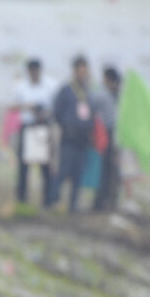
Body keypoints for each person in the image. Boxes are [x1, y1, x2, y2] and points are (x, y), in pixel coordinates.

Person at [51, 55, 96, 213]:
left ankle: (73, 205)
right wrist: (66, 126)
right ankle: (53, 200)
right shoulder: (66, 90)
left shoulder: (88, 90)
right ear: (75, 71)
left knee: (78, 172)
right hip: (69, 137)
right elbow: (57, 111)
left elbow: (91, 113)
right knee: (64, 171)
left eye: (86, 71)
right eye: (81, 71)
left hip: (83, 138)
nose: (83, 74)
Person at [11, 58, 57, 207]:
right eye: (31, 71)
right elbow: (13, 106)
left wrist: (43, 112)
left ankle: (48, 201)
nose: (34, 74)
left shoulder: (50, 85)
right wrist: (30, 107)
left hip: (43, 127)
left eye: (36, 71)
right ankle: (22, 200)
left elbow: (55, 108)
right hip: (28, 127)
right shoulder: (21, 87)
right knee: (24, 166)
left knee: (45, 166)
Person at [93, 67, 121, 212]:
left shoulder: (105, 94)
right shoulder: (114, 94)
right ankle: (103, 202)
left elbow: (91, 104)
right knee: (107, 170)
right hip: (109, 135)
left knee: (107, 170)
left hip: (109, 134)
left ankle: (105, 201)